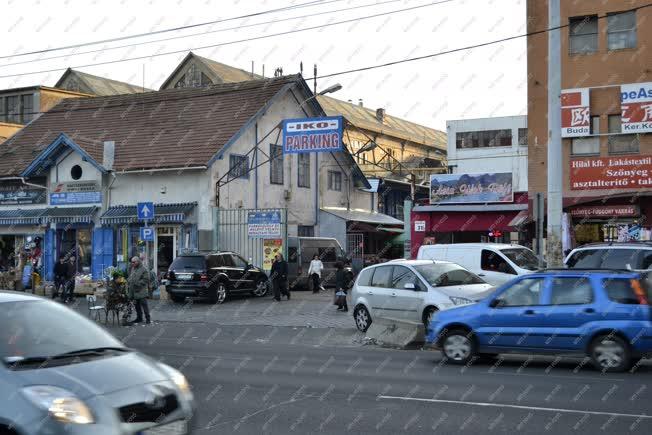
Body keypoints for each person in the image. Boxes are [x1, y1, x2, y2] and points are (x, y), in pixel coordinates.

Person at [127, 256, 151, 324]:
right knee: (137, 306)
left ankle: (148, 318)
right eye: (131, 262)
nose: (132, 263)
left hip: (141, 291)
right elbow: (131, 277)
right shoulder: (133, 268)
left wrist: (138, 283)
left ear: (138, 261)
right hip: (134, 291)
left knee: (144, 305)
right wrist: (129, 281)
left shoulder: (144, 269)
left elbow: (146, 279)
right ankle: (139, 318)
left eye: (133, 262)